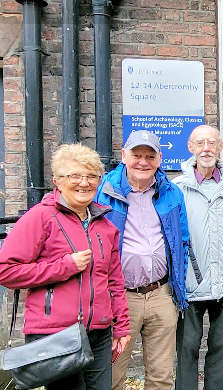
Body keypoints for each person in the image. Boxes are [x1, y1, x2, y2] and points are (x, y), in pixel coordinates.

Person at [0, 144, 131, 390]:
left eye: (92, 176)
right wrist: (64, 266)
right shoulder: (40, 218)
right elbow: (6, 270)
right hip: (56, 334)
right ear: (57, 181)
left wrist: (121, 326)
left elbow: (114, 281)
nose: (84, 183)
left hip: (99, 333)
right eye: (75, 176)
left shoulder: (105, 226)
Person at [95, 130, 189, 390]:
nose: (143, 162)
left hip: (160, 294)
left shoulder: (172, 193)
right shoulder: (103, 190)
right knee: (112, 375)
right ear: (124, 156)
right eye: (137, 155)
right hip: (119, 297)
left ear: (159, 159)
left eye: (150, 156)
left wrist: (175, 286)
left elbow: (182, 241)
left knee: (161, 377)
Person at [173, 125, 223, 389]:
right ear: (190, 147)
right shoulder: (177, 187)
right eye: (200, 143)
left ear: (220, 148)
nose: (206, 148)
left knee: (222, 346)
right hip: (190, 281)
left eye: (212, 143)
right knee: (187, 347)